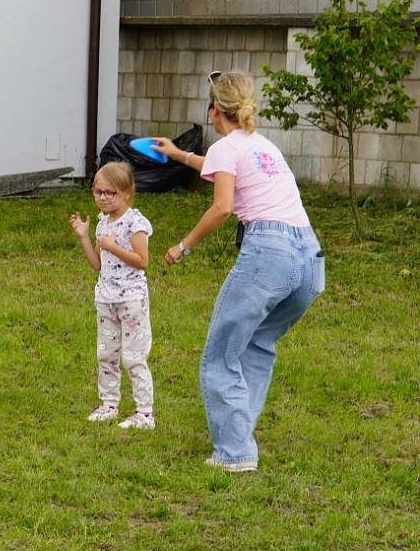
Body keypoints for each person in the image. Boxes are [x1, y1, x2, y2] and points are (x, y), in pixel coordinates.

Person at [154, 70, 324, 472]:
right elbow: (220, 164)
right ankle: (239, 438)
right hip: (310, 258)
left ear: (214, 110)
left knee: (220, 354)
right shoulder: (263, 146)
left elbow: (222, 207)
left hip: (269, 254)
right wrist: (179, 155)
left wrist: (183, 245)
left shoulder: (227, 149)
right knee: (258, 344)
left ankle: (234, 453)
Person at [70, 161, 156, 430]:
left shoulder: (135, 223)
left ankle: (145, 413)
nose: (103, 198)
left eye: (110, 193)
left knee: (133, 357)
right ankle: (109, 404)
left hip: (131, 300)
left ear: (126, 193)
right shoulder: (101, 224)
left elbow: (142, 260)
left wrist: (113, 246)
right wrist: (85, 237)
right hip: (105, 299)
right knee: (106, 354)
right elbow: (98, 264)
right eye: (98, 192)